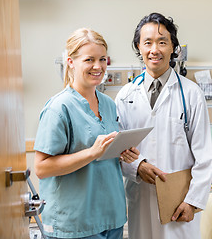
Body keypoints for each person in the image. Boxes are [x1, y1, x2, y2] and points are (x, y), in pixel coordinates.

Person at [34, 28, 139, 239]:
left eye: (102, 59)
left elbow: (103, 153)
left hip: (112, 216)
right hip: (74, 223)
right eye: (89, 59)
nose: (98, 66)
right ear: (71, 62)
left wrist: (121, 151)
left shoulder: (109, 105)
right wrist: (92, 153)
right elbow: (42, 168)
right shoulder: (58, 108)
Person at [115, 12, 212, 239]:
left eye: (162, 42)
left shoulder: (191, 94)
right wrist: (137, 166)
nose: (154, 49)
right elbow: (117, 150)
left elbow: (205, 156)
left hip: (179, 202)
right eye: (147, 42)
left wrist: (193, 201)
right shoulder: (125, 96)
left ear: (173, 48)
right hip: (140, 197)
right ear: (138, 47)